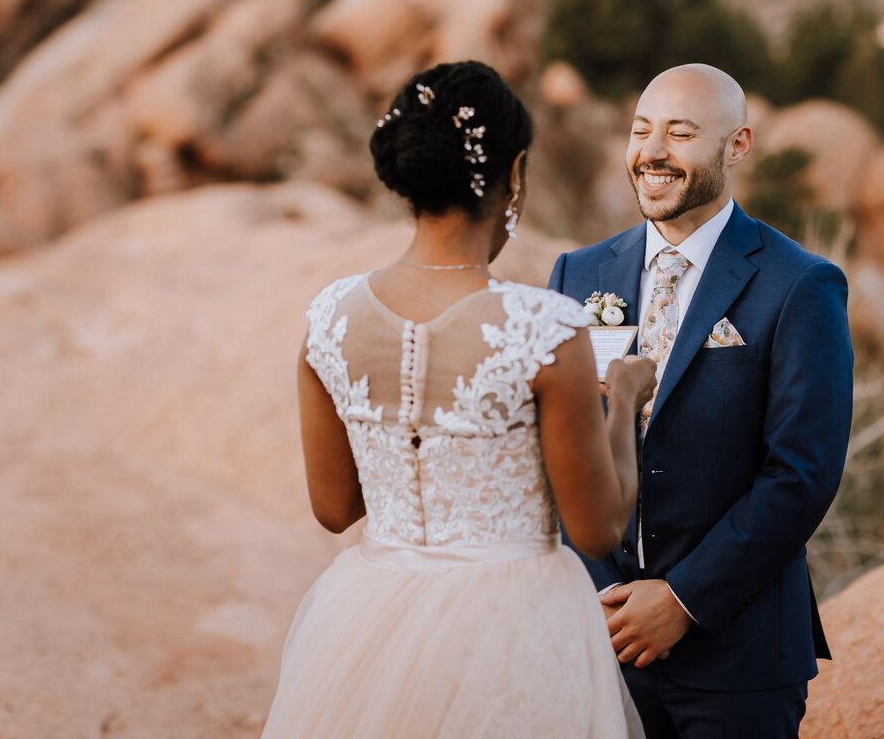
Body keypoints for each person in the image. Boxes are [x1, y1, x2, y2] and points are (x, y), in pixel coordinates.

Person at [262, 60, 654, 738]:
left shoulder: (329, 318)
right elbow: (598, 529)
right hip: (515, 628)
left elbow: (333, 508)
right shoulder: (543, 328)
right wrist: (622, 400)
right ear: (516, 174)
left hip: (368, 619)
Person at [548, 63, 854, 738]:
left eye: (680, 134)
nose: (652, 153)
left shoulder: (801, 285)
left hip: (737, 659)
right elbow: (559, 444)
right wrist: (605, 595)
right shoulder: (579, 273)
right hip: (599, 645)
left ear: (737, 145)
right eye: (640, 131)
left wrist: (683, 600)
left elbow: (802, 472)